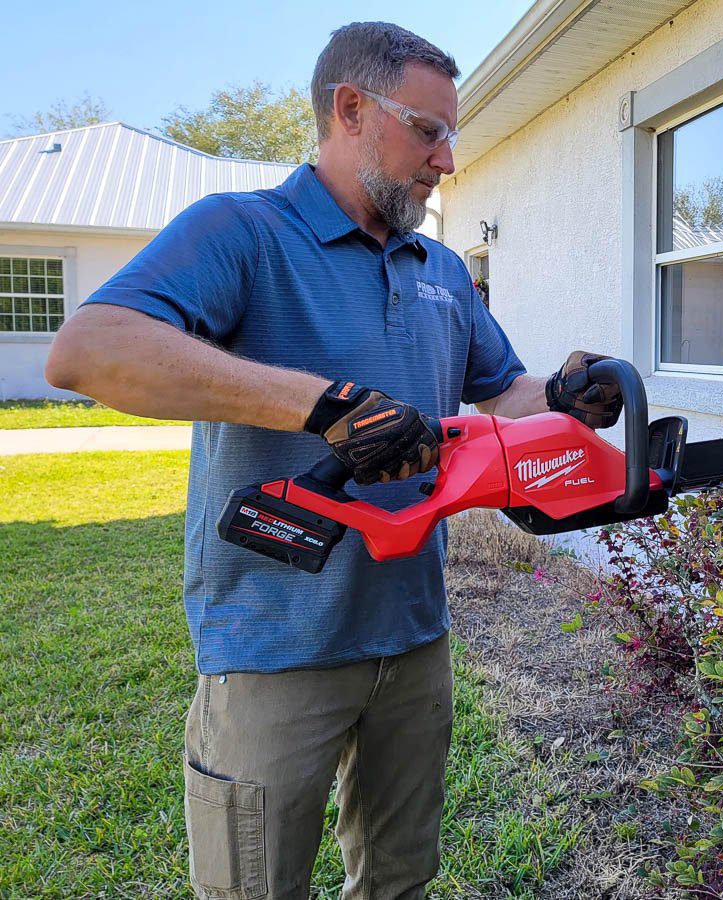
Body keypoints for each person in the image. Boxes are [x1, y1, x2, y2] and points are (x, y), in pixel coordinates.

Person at [44, 21, 622, 900]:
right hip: (277, 644)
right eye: (428, 131)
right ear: (350, 109)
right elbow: (89, 350)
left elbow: (501, 389)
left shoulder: (440, 268)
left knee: (399, 878)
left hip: (415, 633)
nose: (449, 160)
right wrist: (324, 410)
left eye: (450, 134)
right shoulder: (243, 231)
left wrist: (566, 394)